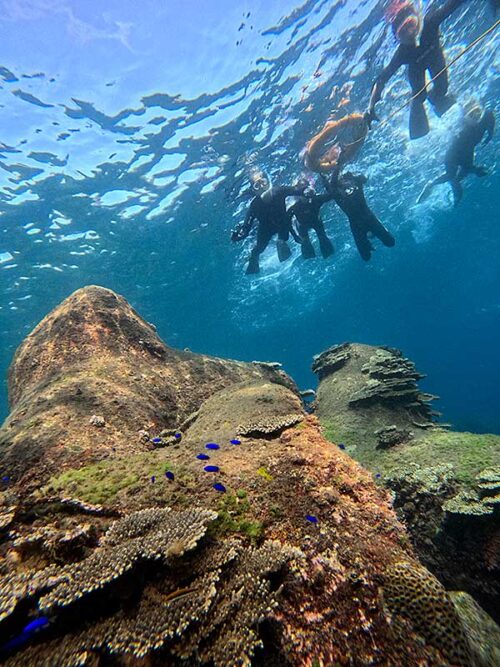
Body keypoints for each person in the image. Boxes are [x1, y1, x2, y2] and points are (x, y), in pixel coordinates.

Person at [367, 0, 467, 139]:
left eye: (410, 26)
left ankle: (436, 100)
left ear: (417, 18)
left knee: (441, 89)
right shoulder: (402, 52)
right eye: (404, 32)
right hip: (418, 66)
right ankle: (428, 102)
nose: (410, 34)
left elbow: (453, 5)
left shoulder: (430, 22)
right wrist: (370, 108)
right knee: (419, 96)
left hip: (433, 57)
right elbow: (381, 79)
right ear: (398, 38)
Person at [417, 100, 495, 206]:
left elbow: (489, 134)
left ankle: (454, 199)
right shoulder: (468, 122)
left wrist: (487, 139)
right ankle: (431, 185)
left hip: (466, 151)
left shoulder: (487, 117)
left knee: (459, 177)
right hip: (455, 151)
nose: (475, 117)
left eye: (477, 115)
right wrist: (475, 169)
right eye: (472, 115)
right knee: (451, 175)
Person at [231, 172, 306, 274]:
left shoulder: (279, 190)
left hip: (282, 224)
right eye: (257, 185)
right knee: (257, 250)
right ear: (254, 190)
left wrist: (306, 190)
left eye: (263, 182)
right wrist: (238, 236)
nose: (262, 186)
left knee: (282, 238)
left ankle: (281, 242)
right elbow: (246, 228)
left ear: (268, 180)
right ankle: (253, 261)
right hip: (265, 229)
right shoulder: (254, 205)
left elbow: (296, 190)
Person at [324, 170, 395, 261]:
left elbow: (364, 178)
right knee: (366, 257)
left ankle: (370, 234)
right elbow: (332, 184)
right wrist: (337, 166)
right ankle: (370, 237)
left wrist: (352, 175)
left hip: (368, 217)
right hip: (356, 224)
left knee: (390, 242)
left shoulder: (355, 182)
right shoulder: (335, 191)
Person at [304, 112, 369, 173]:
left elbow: (327, 133)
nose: (337, 151)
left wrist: (339, 124)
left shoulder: (313, 152)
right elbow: (352, 150)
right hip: (315, 162)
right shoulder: (317, 159)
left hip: (313, 158)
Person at [288, 185, 335, 259]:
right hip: (302, 225)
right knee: (305, 241)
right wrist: (294, 236)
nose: (306, 198)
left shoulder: (316, 200)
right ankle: (310, 257)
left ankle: (329, 255)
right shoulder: (295, 207)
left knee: (322, 237)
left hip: (315, 222)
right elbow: (286, 222)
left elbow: (331, 195)